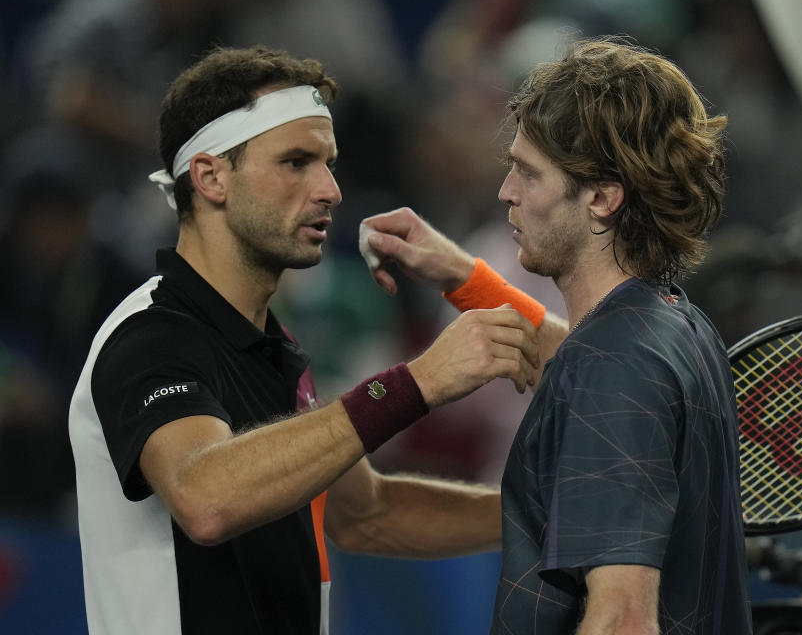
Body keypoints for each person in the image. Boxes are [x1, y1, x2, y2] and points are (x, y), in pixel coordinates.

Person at [67, 45, 541, 635]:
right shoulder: (150, 333)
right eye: (296, 162)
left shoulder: (271, 346)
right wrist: (416, 383)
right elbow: (206, 497)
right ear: (211, 177)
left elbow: (369, 515)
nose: (330, 190)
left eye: (329, 162)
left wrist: (541, 514)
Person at [361, 39, 753, 634]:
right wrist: (461, 276)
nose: (506, 192)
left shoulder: (614, 365)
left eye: (528, 172)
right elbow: (575, 356)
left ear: (601, 197)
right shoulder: (673, 326)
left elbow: (622, 620)